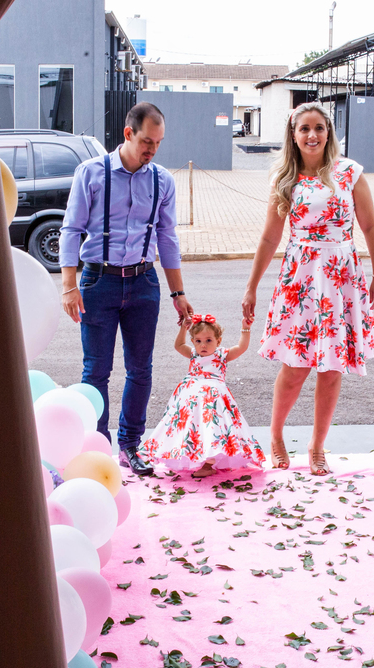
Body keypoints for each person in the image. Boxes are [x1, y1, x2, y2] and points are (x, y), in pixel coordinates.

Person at [241, 102, 374, 476]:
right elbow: (270, 238)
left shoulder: (349, 172)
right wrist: (251, 287)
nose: (312, 135)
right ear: (293, 135)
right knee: (294, 367)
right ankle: (275, 435)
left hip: (341, 279)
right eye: (304, 128)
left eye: (319, 127)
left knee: (332, 368)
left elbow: (370, 226)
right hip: (301, 279)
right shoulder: (285, 180)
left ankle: (317, 446)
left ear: (328, 132)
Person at [60, 102, 193, 476]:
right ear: (128, 133)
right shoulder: (91, 173)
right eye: (147, 141)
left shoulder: (162, 180)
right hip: (98, 281)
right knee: (96, 371)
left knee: (140, 369)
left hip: (143, 282)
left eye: (159, 143)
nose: (153, 149)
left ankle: (131, 445)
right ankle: (99, 447)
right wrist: (69, 286)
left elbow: (167, 237)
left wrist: (178, 293)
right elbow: (71, 229)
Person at [140, 313, 264, 478]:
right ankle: (187, 454)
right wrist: (183, 329)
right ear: (193, 342)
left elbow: (241, 347)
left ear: (218, 341)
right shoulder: (193, 354)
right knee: (190, 427)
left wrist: (245, 328)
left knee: (211, 426)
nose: (203, 345)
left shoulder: (222, 355)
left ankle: (208, 463)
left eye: (208, 340)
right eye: (198, 341)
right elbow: (179, 345)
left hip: (212, 395)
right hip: (191, 395)